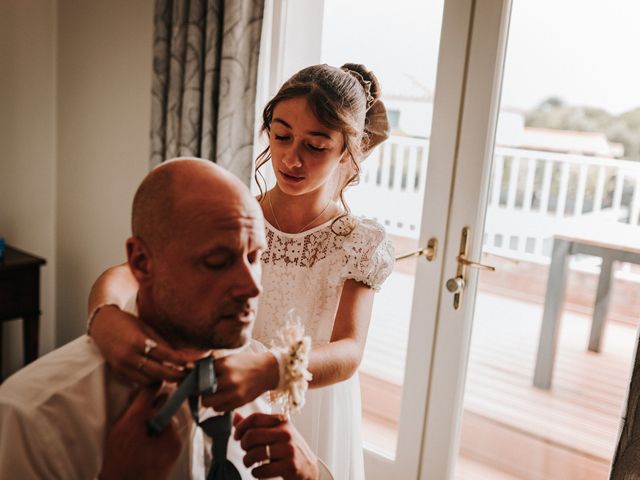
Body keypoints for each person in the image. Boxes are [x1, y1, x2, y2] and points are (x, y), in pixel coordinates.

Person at [88, 63, 395, 479]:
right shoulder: (237, 215)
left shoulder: (358, 239)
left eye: (316, 145)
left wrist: (272, 368)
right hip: (227, 386)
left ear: (346, 150)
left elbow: (349, 349)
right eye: (282, 135)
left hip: (309, 398)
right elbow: (127, 273)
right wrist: (105, 318)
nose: (291, 158)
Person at [0, 159, 330, 480]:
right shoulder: (32, 417)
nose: (253, 286)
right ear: (142, 262)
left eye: (254, 256)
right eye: (217, 261)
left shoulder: (257, 377)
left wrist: (312, 475)